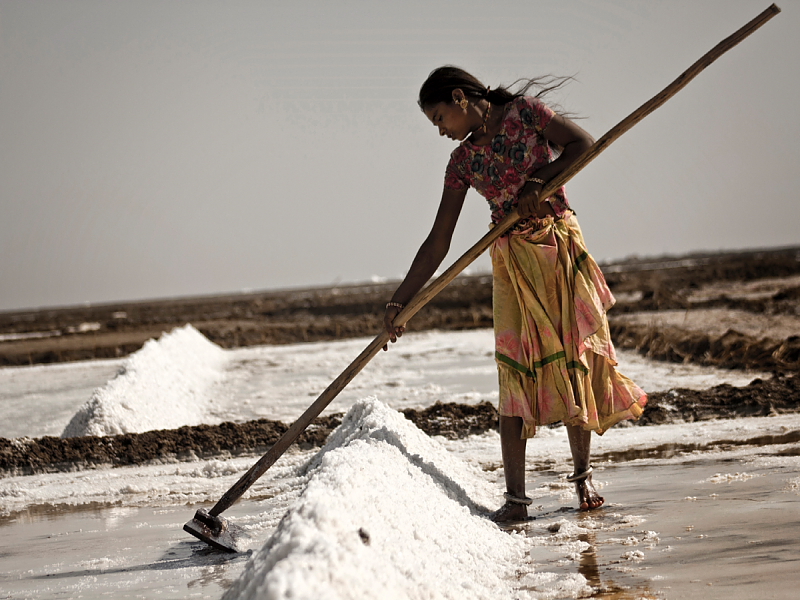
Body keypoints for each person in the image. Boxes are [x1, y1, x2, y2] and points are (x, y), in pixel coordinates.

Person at [383, 66, 647, 524]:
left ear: (461, 98)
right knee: (514, 367)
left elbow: (582, 144)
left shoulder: (525, 114)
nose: (442, 131)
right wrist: (401, 301)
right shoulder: (462, 163)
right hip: (512, 263)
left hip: (558, 246)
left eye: (441, 118)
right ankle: (516, 500)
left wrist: (538, 182)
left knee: (573, 359)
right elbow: (438, 241)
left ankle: (583, 480)